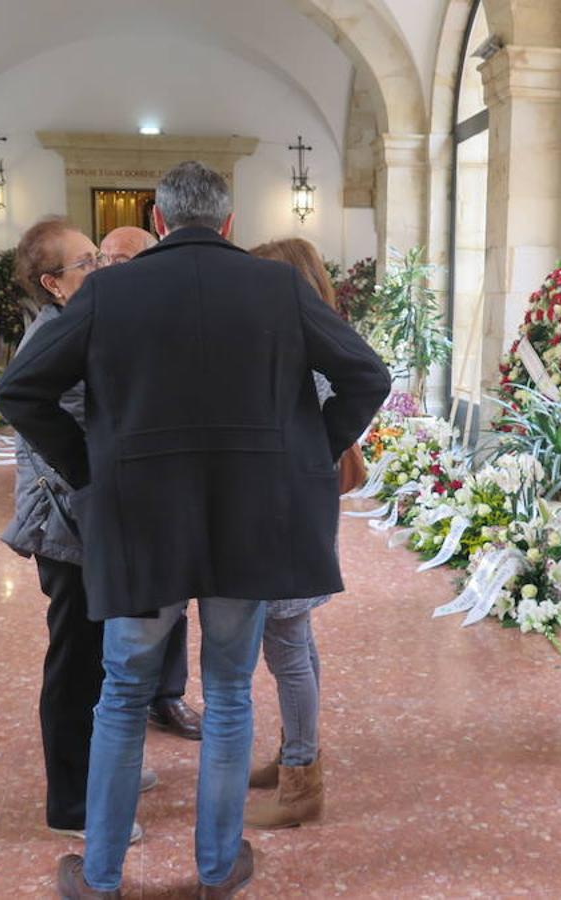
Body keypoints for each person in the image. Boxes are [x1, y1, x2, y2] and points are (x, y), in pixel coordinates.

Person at [0, 161, 390, 899]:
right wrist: (310, 451)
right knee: (233, 692)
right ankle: (215, 869)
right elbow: (366, 375)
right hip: (250, 523)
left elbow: (20, 389)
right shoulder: (277, 288)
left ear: (159, 222)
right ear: (230, 222)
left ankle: (103, 875)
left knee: (120, 694)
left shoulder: (109, 291)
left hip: (141, 523)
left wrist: (89, 468)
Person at [0, 217, 156, 845]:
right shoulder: (53, 334)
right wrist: (99, 477)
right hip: (67, 525)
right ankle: (72, 803)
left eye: (99, 259)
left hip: (87, 520)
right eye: (86, 264)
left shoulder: (76, 323)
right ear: (53, 284)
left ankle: (100, 769)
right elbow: (59, 425)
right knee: (75, 663)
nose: (100, 271)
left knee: (100, 655)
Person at [241, 237, 343, 830]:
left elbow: (321, 418)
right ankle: (293, 754)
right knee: (294, 639)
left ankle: (303, 777)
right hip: (289, 505)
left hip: (289, 508)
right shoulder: (293, 338)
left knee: (285, 639)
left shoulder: (306, 344)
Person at [98, 225, 203, 742]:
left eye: (127, 259)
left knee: (174, 599)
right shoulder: (92, 311)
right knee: (115, 615)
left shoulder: (173, 313)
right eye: (107, 259)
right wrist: (87, 464)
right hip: (109, 488)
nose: (116, 269)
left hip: (168, 485)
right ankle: (122, 701)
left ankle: (168, 695)